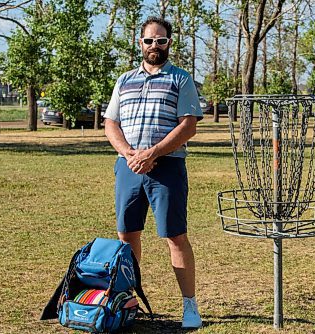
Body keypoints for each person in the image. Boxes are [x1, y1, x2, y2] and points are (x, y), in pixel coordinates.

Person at [104, 16, 203, 329]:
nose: (154, 46)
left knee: (175, 236)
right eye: (149, 41)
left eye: (161, 40)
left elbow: (188, 125)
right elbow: (111, 123)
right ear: (140, 43)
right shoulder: (124, 80)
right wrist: (129, 153)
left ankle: (190, 307)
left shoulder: (181, 79)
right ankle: (127, 301)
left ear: (169, 43)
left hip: (167, 167)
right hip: (129, 167)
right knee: (127, 235)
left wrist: (153, 153)